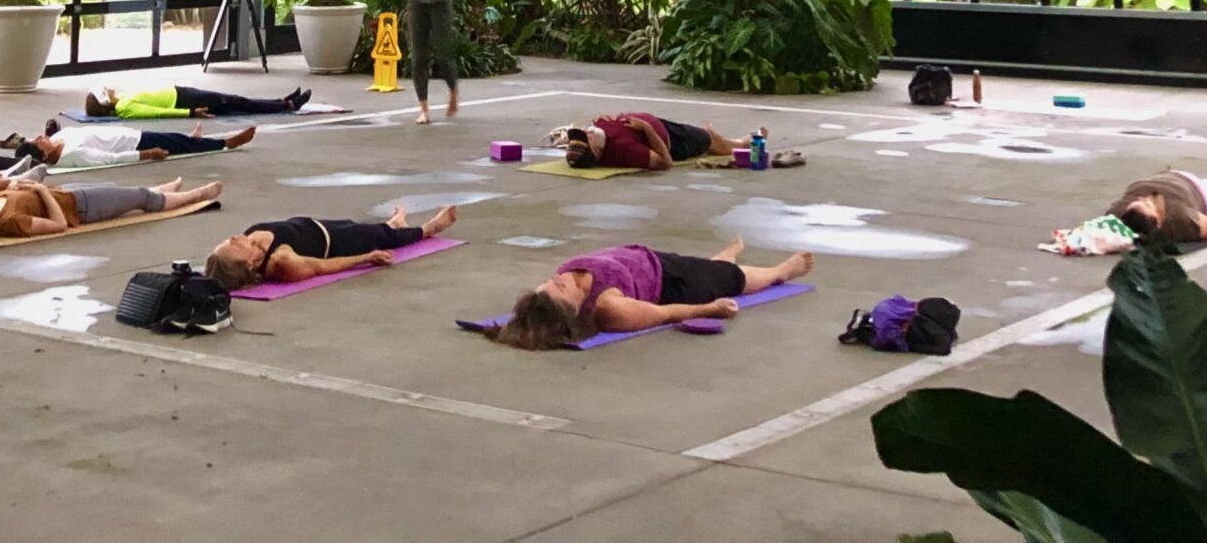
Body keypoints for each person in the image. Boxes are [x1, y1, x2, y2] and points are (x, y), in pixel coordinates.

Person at [481, 238, 815, 350]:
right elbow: (666, 313)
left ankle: (719, 261)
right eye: (558, 290)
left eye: (550, 284)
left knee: (711, 269)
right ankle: (782, 270)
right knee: (732, 278)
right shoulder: (611, 309)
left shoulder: (549, 293)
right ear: (572, 311)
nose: (556, 280)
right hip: (672, 281)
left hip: (645, 256)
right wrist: (710, 309)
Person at [203, 203, 459, 290]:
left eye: (229, 240)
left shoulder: (249, 243)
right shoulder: (282, 263)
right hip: (336, 242)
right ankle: (428, 229)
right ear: (248, 264)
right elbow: (323, 267)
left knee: (370, 227)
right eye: (233, 245)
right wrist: (365, 258)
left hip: (316, 225)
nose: (235, 238)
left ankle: (393, 223)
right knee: (380, 236)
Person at [0, 175, 223, 241]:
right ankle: (196, 195)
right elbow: (58, 225)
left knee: (128, 192)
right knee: (140, 198)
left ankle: (162, 190)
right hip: (81, 208)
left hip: (71, 194)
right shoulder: (10, 223)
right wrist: (40, 190)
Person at [1074, 168, 1207, 252]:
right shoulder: (1183, 221)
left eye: (1140, 201)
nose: (1143, 197)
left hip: (1179, 179)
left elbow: (1089, 232)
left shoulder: (1118, 211)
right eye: (1147, 203)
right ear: (1158, 219)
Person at [0, 120, 258, 171]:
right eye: (39, 141)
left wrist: (19, 143)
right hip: (136, 142)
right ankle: (223, 144)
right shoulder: (73, 155)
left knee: (179, 139)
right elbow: (110, 160)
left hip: (128, 133)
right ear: (45, 153)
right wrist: (148, 155)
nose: (41, 138)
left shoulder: (55, 141)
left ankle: (194, 140)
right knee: (178, 143)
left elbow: (29, 144)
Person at [558, 111, 759, 171]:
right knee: (713, 142)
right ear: (598, 153)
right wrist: (647, 128)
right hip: (674, 140)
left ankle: (713, 135)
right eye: (588, 137)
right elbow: (665, 161)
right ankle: (743, 143)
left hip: (660, 125)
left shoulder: (599, 134)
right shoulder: (624, 151)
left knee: (709, 137)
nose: (588, 132)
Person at [75, 82, 311, 120]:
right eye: (105, 91)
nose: (109, 88)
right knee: (236, 102)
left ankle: (280, 101)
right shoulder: (125, 108)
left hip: (181, 93)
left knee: (235, 101)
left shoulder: (123, 100)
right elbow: (156, 112)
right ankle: (286, 105)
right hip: (183, 101)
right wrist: (190, 113)